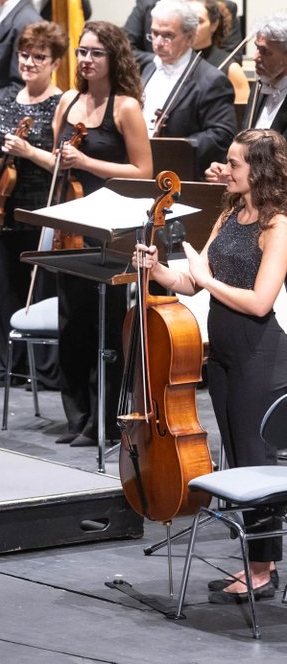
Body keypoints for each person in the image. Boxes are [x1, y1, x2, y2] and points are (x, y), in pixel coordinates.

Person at [136, 128, 287, 603]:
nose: (226, 169)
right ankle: (254, 563)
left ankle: (263, 571)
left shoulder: (278, 225)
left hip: (258, 352)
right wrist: (160, 270)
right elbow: (194, 282)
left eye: (236, 163)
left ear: (260, 171)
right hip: (221, 352)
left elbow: (262, 302)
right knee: (237, 456)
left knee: (255, 460)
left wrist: (203, 276)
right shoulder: (230, 214)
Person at [49, 21, 152, 446]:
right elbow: (58, 163)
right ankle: (77, 416)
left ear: (113, 59)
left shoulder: (125, 107)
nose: (86, 60)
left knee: (104, 323)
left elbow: (144, 171)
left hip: (109, 228)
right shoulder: (67, 101)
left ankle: (104, 419)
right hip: (70, 224)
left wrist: (88, 164)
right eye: (81, 51)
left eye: (95, 53)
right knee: (71, 322)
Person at [0, 21, 68, 389]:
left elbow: (60, 162)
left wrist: (29, 151)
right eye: (24, 55)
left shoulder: (61, 103)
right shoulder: (11, 100)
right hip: (5, 205)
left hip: (42, 205)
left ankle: (45, 369)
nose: (29, 62)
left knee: (42, 288)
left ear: (55, 62)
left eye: (39, 57)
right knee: (9, 286)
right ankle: (11, 363)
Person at [140, 0, 235, 178]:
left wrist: (171, 148)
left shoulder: (212, 80)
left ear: (190, 36)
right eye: (154, 33)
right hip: (142, 171)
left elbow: (221, 135)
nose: (158, 42)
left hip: (181, 177)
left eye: (167, 35)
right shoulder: (148, 68)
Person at [188, 0, 250, 105]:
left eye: (199, 21)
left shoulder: (231, 69)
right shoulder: (174, 61)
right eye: (188, 20)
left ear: (214, 25)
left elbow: (241, 115)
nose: (192, 26)